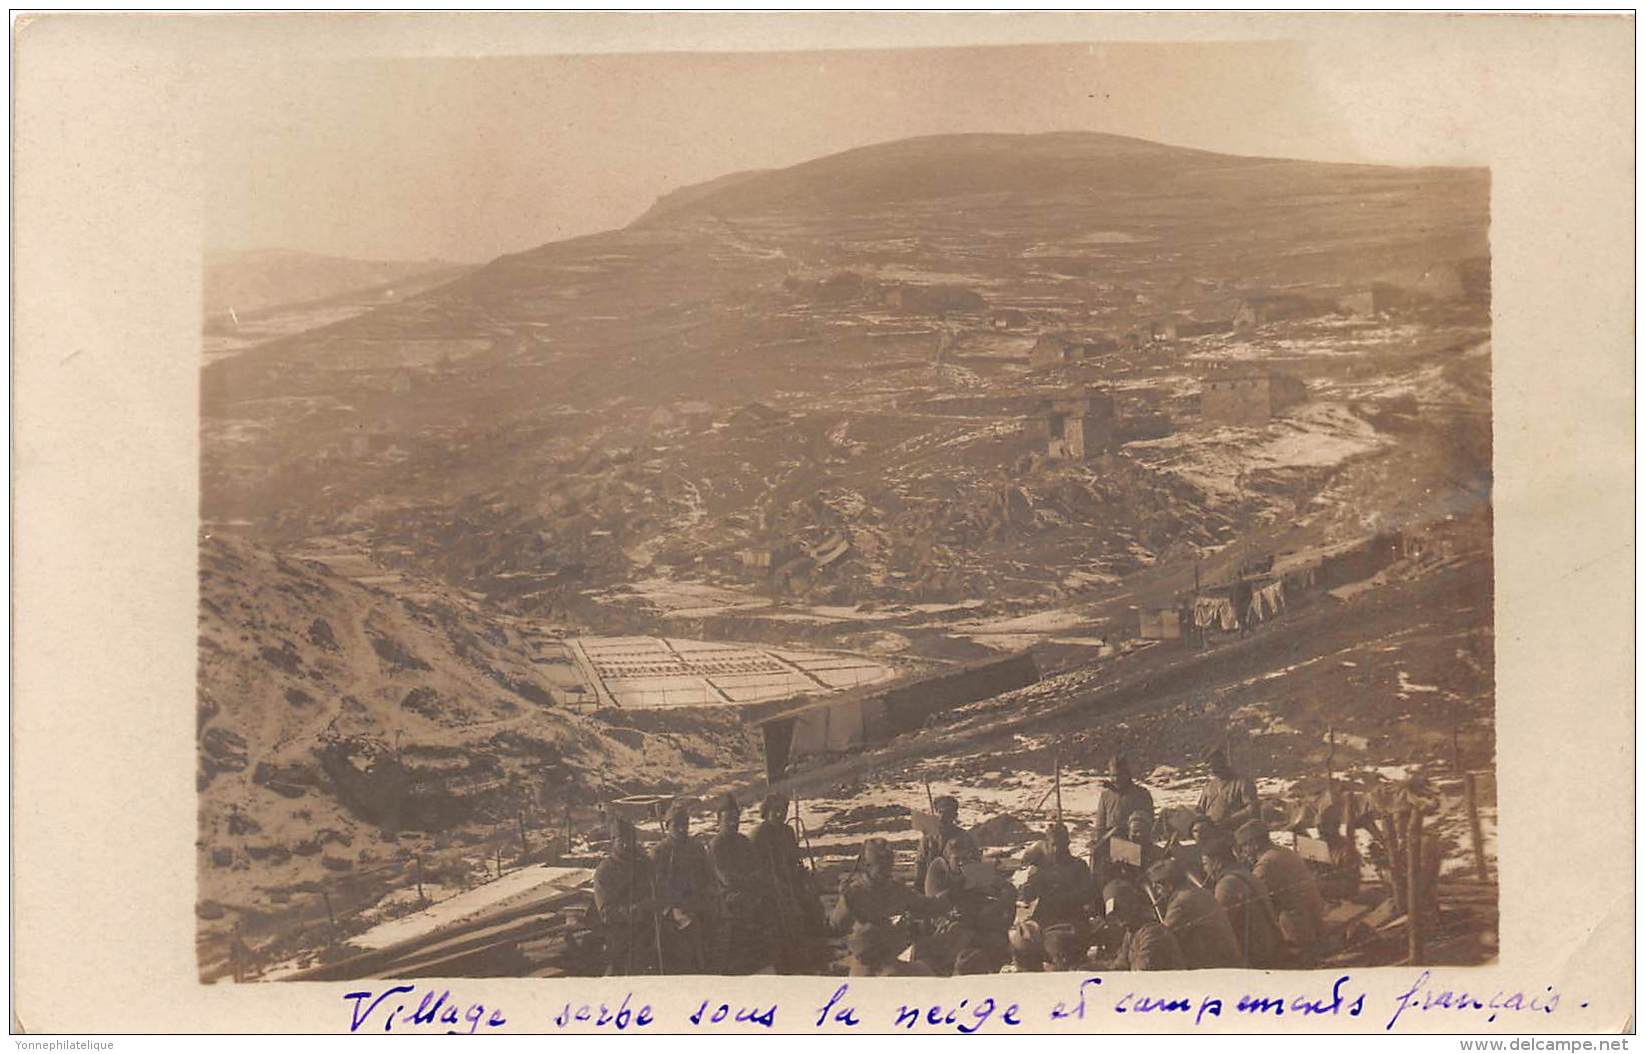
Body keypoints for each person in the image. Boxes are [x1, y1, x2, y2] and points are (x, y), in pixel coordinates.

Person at [836, 837, 944, 976]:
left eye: (889, 869)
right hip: (876, 963)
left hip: (873, 961)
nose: (887, 873)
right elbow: (838, 924)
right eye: (882, 869)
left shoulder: (857, 891)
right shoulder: (855, 893)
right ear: (868, 866)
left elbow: (926, 906)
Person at [749, 792, 825, 970]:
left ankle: (814, 948)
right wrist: (772, 881)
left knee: (811, 902)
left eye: (783, 810)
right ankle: (785, 958)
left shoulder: (787, 831)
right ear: (766, 811)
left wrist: (802, 876)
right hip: (767, 885)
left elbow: (793, 859)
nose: (780, 814)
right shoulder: (758, 834)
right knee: (784, 912)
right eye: (775, 810)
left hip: (789, 881)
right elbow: (754, 866)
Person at [920, 832, 1014, 975]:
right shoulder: (938, 870)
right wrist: (958, 888)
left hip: (976, 919)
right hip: (947, 922)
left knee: (997, 938)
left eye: (965, 858)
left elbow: (1009, 890)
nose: (961, 862)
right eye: (956, 859)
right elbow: (936, 904)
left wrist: (996, 907)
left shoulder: (972, 869)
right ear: (947, 859)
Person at [1236, 820, 1327, 967]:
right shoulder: (1284, 852)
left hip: (1296, 930)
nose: (1243, 852)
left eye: (1244, 847)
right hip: (1314, 919)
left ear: (1254, 844)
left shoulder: (1266, 864)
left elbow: (1254, 900)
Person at [706, 793, 778, 974]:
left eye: (735, 819)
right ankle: (737, 959)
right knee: (744, 904)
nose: (732, 823)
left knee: (771, 899)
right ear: (719, 820)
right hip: (724, 895)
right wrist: (749, 881)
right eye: (728, 819)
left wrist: (753, 881)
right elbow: (726, 879)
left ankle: (768, 954)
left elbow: (758, 869)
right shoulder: (716, 845)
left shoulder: (743, 842)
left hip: (747, 890)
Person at [1011, 822, 1095, 972]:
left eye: (1061, 845)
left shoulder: (1078, 866)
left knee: (1057, 943)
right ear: (1047, 845)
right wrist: (1027, 890)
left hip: (1070, 920)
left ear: (1068, 844)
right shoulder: (1043, 867)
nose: (1057, 849)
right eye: (1053, 845)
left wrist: (1058, 899)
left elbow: (1087, 894)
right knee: (1020, 939)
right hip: (1044, 920)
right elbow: (1028, 893)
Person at [1200, 826, 1283, 968]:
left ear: (1217, 862)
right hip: (1271, 943)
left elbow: (1220, 926)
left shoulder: (1226, 884)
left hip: (1256, 954)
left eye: (1205, 864)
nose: (1204, 869)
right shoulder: (1246, 874)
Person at [650, 801, 718, 973]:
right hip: (673, 909)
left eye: (685, 824)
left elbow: (709, 876)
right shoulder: (660, 852)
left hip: (698, 902)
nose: (682, 829)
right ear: (667, 827)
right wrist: (671, 908)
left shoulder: (696, 848)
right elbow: (657, 887)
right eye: (677, 825)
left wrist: (708, 895)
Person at [1144, 857, 1241, 969]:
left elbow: (1161, 940)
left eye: (1158, 888)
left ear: (1168, 885)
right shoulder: (1200, 892)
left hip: (1215, 968)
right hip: (1227, 963)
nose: (1158, 893)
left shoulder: (1181, 902)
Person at [592, 815, 659, 975]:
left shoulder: (644, 863)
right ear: (612, 841)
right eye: (620, 840)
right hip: (622, 933)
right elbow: (607, 913)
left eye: (629, 840)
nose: (626, 844)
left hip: (651, 927)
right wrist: (638, 909)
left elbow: (657, 889)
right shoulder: (605, 871)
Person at [1090, 755, 1154, 901]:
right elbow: (1100, 826)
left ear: (1127, 774)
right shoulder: (1106, 796)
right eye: (1112, 775)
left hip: (1136, 845)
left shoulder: (1141, 794)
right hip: (1110, 846)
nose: (1116, 779)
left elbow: (1149, 824)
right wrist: (1098, 842)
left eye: (1119, 775)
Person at [1095, 878, 1184, 971]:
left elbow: (1140, 975)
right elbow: (1121, 964)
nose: (1119, 919)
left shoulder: (1153, 934)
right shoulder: (1131, 933)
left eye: (1121, 910)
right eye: (1114, 914)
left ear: (1133, 905)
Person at [1195, 745, 1261, 828]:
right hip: (1211, 831)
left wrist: (1229, 820)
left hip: (1235, 832)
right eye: (1210, 768)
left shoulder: (1242, 783)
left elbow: (1252, 809)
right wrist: (1201, 818)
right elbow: (1199, 809)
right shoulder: (1209, 787)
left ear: (1224, 763)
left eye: (1217, 766)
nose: (1214, 771)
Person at [916, 795, 966, 892]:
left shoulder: (963, 837)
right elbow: (920, 864)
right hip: (931, 887)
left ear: (955, 816)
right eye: (940, 812)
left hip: (956, 888)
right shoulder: (928, 838)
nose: (942, 818)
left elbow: (971, 865)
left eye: (947, 814)